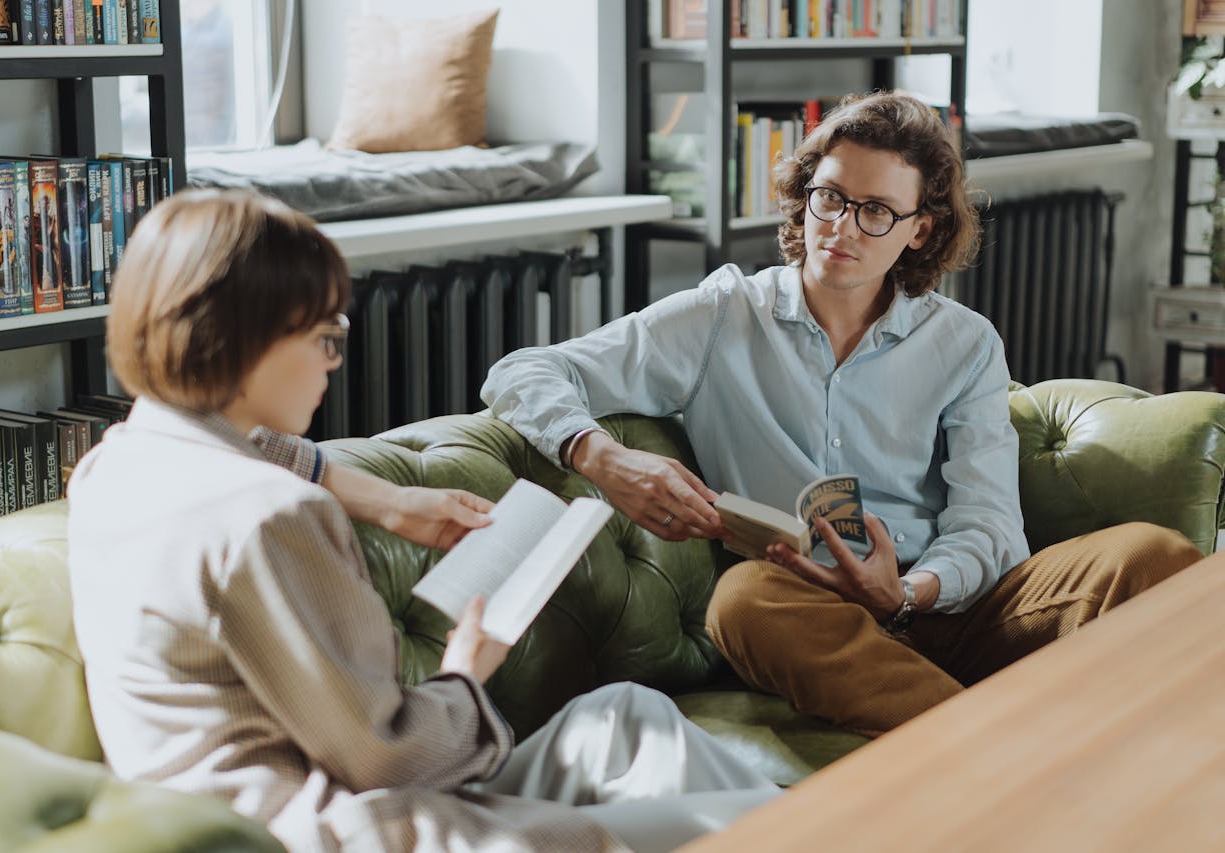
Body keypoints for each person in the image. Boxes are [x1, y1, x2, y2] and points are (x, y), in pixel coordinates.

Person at [67, 189, 776, 853]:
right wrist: (469, 669)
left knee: (627, 715)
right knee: (754, 824)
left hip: (302, 799)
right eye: (323, 336)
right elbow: (385, 753)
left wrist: (391, 499)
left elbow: (264, 446)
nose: (331, 362)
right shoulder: (269, 520)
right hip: (334, 827)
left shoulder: (115, 464)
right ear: (242, 341)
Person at [480, 92, 1202, 738]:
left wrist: (912, 590)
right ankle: (994, 747)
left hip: (952, 606)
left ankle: (990, 733)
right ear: (805, 196)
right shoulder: (723, 316)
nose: (843, 228)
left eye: (876, 211)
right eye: (829, 197)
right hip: (813, 616)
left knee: (1151, 555)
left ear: (920, 230)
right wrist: (601, 456)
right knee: (741, 599)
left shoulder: (963, 343)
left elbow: (989, 526)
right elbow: (524, 369)